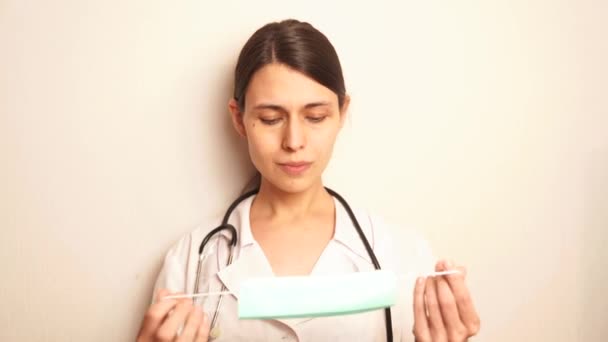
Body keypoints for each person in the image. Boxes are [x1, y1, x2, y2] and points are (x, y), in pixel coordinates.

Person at [136, 19, 480, 342]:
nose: (294, 141)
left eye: (315, 116)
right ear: (239, 120)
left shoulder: (403, 254)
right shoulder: (193, 260)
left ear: (342, 113)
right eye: (271, 119)